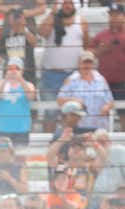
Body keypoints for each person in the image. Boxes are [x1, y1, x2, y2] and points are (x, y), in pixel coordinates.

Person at [38, 0, 88, 132]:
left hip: (73, 76)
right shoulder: (52, 19)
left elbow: (87, 47)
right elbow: (41, 32)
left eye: (70, 3)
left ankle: (70, 145)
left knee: (72, 114)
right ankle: (49, 145)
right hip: (50, 75)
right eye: (65, 3)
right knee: (50, 114)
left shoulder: (81, 22)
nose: (67, 5)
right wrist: (52, 14)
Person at [57, 51, 114, 132]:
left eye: (90, 63)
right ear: (79, 64)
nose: (87, 65)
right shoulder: (71, 80)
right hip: (79, 126)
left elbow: (110, 101)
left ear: (93, 65)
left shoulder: (101, 79)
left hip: (99, 125)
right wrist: (74, 100)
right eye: (84, 63)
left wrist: (106, 107)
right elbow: (59, 100)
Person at [91, 3, 125, 130]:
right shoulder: (101, 35)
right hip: (103, 83)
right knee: (101, 113)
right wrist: (103, 49)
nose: (114, 18)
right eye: (111, 15)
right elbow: (89, 53)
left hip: (123, 82)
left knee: (123, 115)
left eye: (117, 15)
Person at [0, 57, 36, 147]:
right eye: (11, 68)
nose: (13, 71)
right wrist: (5, 80)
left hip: (21, 129)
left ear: (22, 71)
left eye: (17, 68)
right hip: (3, 129)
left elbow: (31, 97)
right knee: (3, 158)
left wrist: (20, 80)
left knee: (20, 159)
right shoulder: (0, 84)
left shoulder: (28, 85)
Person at [0, 8, 38, 85]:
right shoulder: (5, 34)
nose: (15, 21)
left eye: (17, 17)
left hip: (27, 76)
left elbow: (34, 43)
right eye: (13, 18)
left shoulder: (28, 31)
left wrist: (23, 27)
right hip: (10, 76)